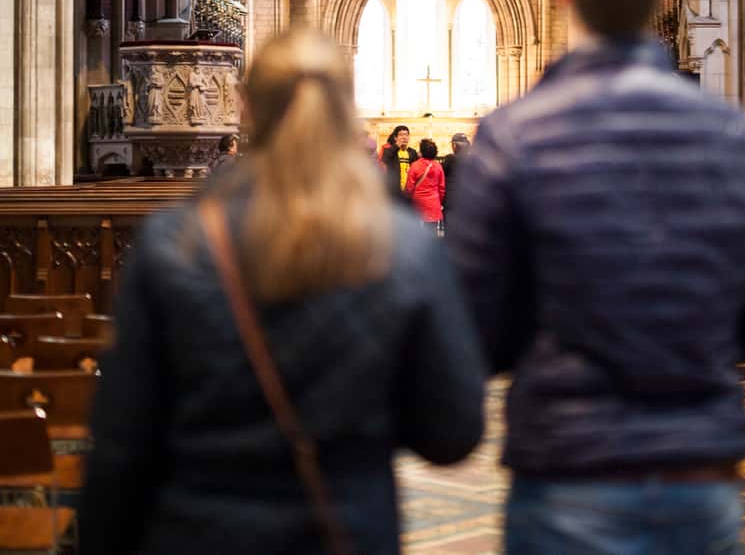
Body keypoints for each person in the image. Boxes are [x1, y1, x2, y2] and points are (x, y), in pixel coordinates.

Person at [449, 0, 745, 555]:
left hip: (567, 472)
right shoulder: (736, 140)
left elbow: (476, 329)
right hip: (699, 475)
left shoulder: (511, 141)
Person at [79, 28, 484, 555]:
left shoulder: (174, 243)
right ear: (345, 110)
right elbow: (451, 431)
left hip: (199, 533)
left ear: (244, 109)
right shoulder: (405, 247)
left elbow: (121, 446)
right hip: (345, 528)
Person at [404, 138, 445, 235]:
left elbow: (409, 187)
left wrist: (406, 199)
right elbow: (442, 188)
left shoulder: (415, 165)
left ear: (421, 151)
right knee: (432, 234)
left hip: (417, 204)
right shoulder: (438, 166)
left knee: (416, 233)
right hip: (433, 204)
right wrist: (440, 201)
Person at [440, 132, 470, 229]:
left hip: (451, 199)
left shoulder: (450, 158)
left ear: (454, 145)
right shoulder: (472, 159)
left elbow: (441, 173)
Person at [381, 125, 419, 198]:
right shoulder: (390, 150)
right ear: (395, 138)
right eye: (401, 135)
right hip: (394, 191)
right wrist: (396, 146)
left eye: (406, 135)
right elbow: (385, 159)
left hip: (409, 191)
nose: (404, 137)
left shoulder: (412, 152)